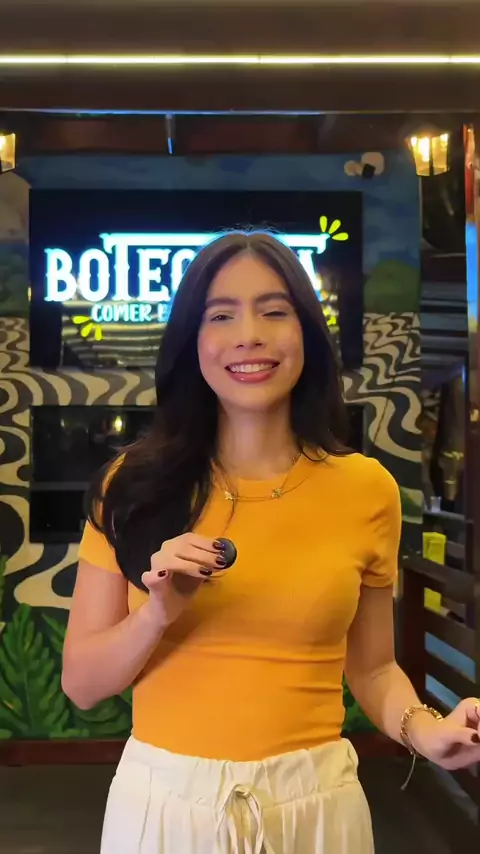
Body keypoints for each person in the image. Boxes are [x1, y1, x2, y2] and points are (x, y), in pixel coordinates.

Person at [63, 232, 480, 854]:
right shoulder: (131, 487)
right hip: (165, 806)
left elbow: (372, 667)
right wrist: (156, 614)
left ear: (306, 333)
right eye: (221, 315)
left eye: (274, 311)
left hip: (319, 806)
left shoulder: (368, 490)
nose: (249, 335)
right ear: (191, 343)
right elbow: (82, 683)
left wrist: (427, 732)